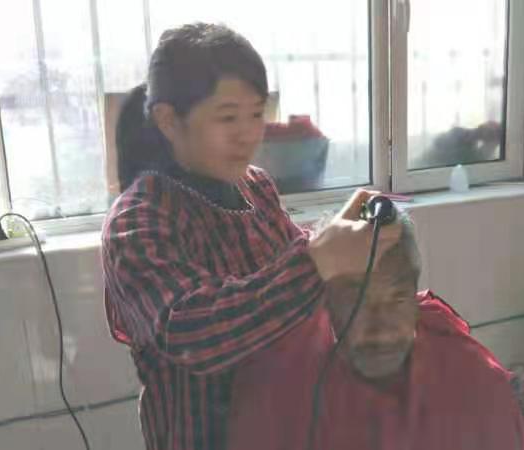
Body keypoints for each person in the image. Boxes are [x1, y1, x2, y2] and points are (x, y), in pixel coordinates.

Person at [100, 23, 401, 450]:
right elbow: (194, 334)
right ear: (168, 120)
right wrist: (317, 262)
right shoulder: (138, 221)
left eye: (256, 114)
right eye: (227, 117)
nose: (248, 134)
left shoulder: (255, 187)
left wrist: (338, 239)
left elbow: (290, 268)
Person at [227, 213, 524, 450]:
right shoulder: (281, 394)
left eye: (397, 299)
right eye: (357, 300)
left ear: (415, 297)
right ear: (326, 301)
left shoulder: (471, 379)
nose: (381, 329)